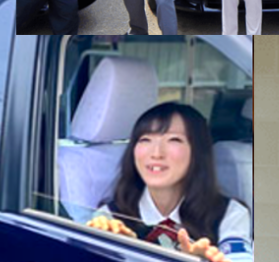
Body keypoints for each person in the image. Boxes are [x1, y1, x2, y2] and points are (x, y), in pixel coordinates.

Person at [87, 103, 253, 262]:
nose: (156, 153)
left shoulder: (228, 214)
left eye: (173, 140)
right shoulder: (111, 217)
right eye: (145, 139)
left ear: (197, 152)